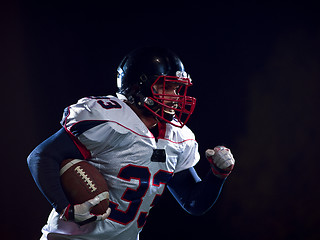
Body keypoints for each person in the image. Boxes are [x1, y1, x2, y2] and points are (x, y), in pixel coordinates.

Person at [27, 46, 235, 240]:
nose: (175, 97)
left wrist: (217, 175)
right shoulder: (109, 120)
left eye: (178, 89)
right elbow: (41, 156)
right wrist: (65, 208)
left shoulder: (178, 138)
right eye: (166, 87)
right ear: (138, 87)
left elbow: (193, 202)